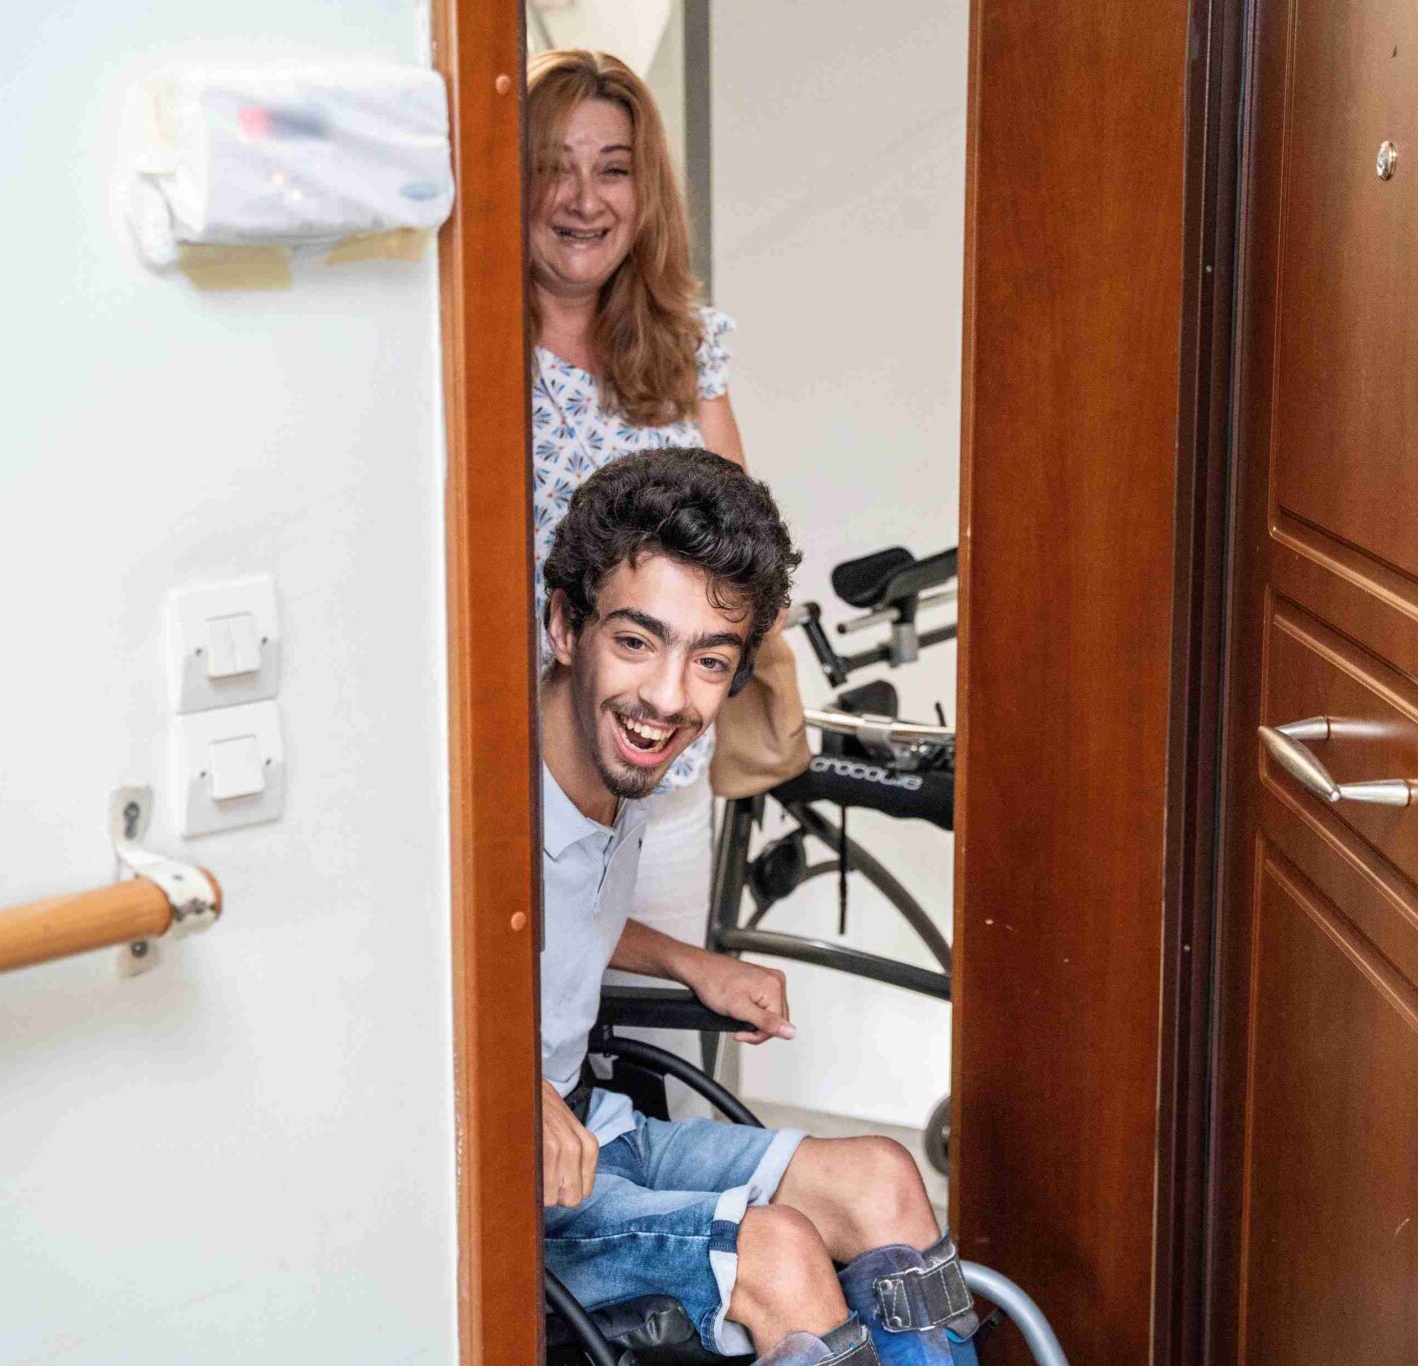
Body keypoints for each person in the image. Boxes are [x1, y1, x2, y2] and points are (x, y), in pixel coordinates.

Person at [537, 449, 980, 1366]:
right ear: (565, 625)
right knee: (778, 1254)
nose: (667, 697)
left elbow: (557, 915)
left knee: (883, 1180)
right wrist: (497, 1089)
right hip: (517, 1186)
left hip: (599, 1129)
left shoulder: (625, 759)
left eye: (709, 660)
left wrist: (690, 963)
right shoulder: (477, 793)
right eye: (636, 642)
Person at [528, 49, 747, 1011]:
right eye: (553, 167)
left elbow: (743, 561)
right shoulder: (457, 348)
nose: (583, 199)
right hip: (523, 793)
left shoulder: (688, 345)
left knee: (658, 1044)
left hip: (663, 782)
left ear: (643, 188)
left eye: (612, 169)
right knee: (530, 1058)